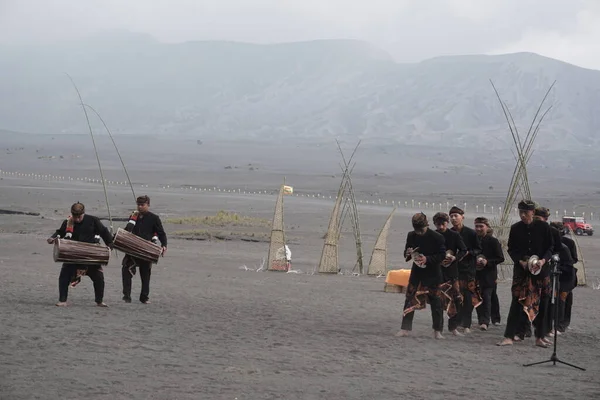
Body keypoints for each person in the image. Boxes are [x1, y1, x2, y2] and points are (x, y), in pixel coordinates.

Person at [497, 200, 554, 347]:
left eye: (526, 212)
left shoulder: (543, 227)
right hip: (521, 272)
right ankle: (508, 336)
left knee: (542, 303)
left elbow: (551, 247)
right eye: (520, 212)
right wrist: (520, 261)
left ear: (533, 212)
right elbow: (511, 248)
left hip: (541, 271)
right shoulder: (515, 228)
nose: (523, 215)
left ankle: (539, 337)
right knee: (516, 302)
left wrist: (543, 261)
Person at [47, 202, 113, 307]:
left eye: (79, 217)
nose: (77, 219)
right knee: (64, 276)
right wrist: (53, 238)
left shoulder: (93, 220)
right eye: (75, 217)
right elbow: (60, 232)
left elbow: (104, 232)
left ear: (83, 213)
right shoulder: (68, 222)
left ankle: (99, 301)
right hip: (72, 256)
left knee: (99, 278)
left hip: (90, 256)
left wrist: (110, 244)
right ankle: (62, 300)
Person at [397, 213, 446, 339]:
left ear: (427, 225)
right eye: (416, 230)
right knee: (409, 299)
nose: (419, 233)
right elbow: (406, 253)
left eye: (421, 230)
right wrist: (408, 253)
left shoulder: (437, 237)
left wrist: (427, 259)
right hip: (417, 273)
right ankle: (405, 328)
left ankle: (437, 330)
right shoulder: (411, 235)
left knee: (436, 302)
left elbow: (442, 255)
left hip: (433, 273)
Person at [121, 195, 167, 304]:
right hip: (133, 248)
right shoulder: (133, 216)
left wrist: (164, 245)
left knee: (145, 274)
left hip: (146, 249)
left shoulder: (154, 218)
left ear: (148, 205)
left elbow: (161, 233)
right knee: (126, 270)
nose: (140, 207)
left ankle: (144, 297)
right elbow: (128, 230)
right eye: (138, 205)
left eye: (142, 205)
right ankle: (126, 296)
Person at [432, 212, 467, 336]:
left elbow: (464, 250)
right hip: (437, 272)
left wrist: (455, 258)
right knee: (437, 302)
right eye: (438, 224)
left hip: (452, 273)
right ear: (434, 224)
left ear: (447, 223)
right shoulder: (432, 235)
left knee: (456, 300)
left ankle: (453, 328)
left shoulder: (454, 235)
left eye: (443, 224)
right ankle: (437, 330)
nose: (441, 227)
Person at [449, 206, 483, 334]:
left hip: (468, 270)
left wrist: (468, 253)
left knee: (468, 298)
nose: (453, 218)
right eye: (451, 216)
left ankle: (467, 324)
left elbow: (478, 249)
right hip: (453, 269)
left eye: (456, 216)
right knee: (455, 296)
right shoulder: (450, 233)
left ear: (462, 217)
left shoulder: (471, 233)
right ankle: (455, 322)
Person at [473, 217, 504, 330]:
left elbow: (500, 258)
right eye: (477, 226)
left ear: (487, 227)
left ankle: (487, 321)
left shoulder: (493, 241)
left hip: (489, 275)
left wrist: (488, 262)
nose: (479, 228)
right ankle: (483, 319)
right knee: (477, 296)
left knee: (488, 296)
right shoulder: (472, 239)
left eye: (481, 226)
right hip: (475, 274)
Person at [549, 221, 577, 333]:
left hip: (566, 275)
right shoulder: (549, 243)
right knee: (553, 300)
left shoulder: (568, 244)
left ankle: (561, 325)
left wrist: (561, 262)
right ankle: (552, 324)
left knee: (563, 300)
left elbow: (574, 259)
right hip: (554, 274)